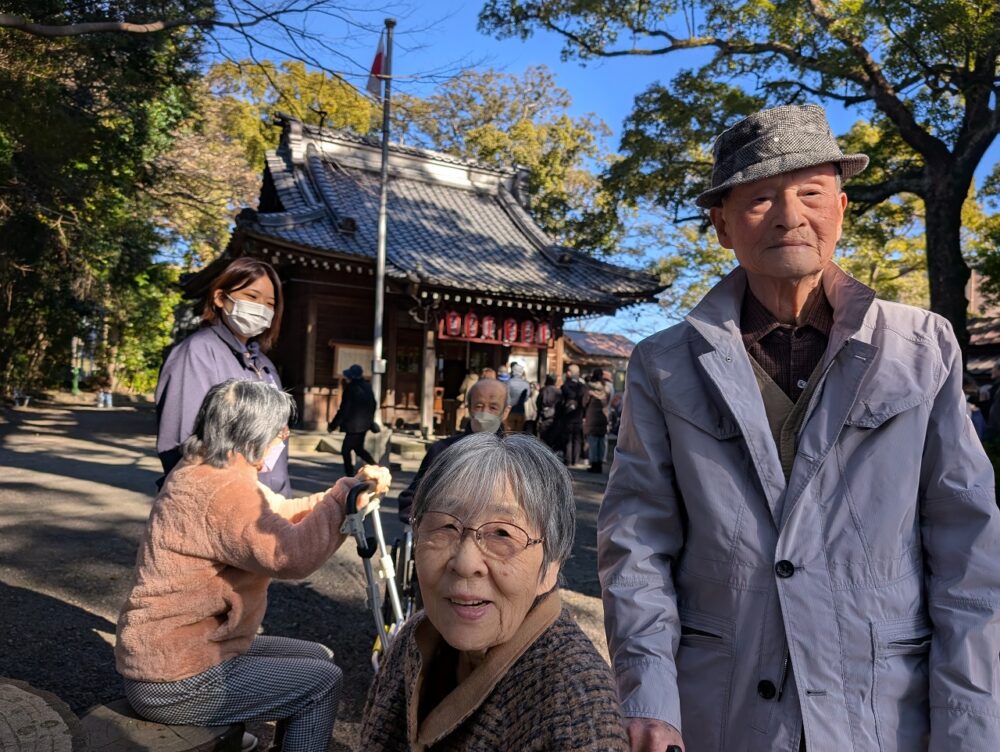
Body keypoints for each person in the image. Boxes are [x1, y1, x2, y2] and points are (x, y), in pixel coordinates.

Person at [598, 103, 1000, 752]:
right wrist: (649, 695)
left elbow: (969, 551)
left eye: (811, 193)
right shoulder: (664, 364)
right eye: (759, 198)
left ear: (841, 208)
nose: (790, 215)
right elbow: (638, 538)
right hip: (723, 714)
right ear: (721, 224)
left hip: (882, 716)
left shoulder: (922, 348)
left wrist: (972, 731)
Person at [116, 379, 391, 752]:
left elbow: (279, 515)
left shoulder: (209, 469)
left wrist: (342, 493)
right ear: (253, 431)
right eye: (279, 432)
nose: (282, 439)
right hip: (177, 676)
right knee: (322, 682)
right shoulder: (222, 490)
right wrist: (343, 497)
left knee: (316, 657)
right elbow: (289, 555)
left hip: (179, 652)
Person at [361, 432, 629, 751]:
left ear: (552, 564)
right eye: (446, 527)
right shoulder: (412, 641)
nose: (465, 562)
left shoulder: (578, 706)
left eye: (502, 533)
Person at [155, 257, 289, 494]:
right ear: (219, 298)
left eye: (270, 303)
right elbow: (181, 441)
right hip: (220, 505)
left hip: (268, 507)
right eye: (252, 297)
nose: (263, 309)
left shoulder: (265, 366)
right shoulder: (198, 352)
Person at [396, 377, 510, 523]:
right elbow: (413, 498)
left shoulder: (516, 457)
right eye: (479, 405)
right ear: (469, 408)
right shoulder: (443, 450)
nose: (485, 412)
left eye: (493, 407)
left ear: (505, 411)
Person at [328, 364, 378, 476]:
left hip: (353, 426)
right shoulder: (367, 386)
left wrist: (333, 425)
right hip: (364, 425)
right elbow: (374, 404)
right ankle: (375, 466)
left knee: (346, 450)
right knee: (358, 449)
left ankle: (350, 474)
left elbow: (344, 409)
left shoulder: (350, 389)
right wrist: (370, 420)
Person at [583, 368, 610, 474]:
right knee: (601, 442)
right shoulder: (606, 388)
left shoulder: (589, 388)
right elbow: (608, 401)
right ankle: (599, 465)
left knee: (593, 442)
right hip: (603, 416)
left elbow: (584, 402)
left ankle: (593, 465)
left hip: (592, 416)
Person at [558, 364, 586, 466]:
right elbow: (584, 402)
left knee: (568, 438)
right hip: (579, 415)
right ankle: (576, 460)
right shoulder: (582, 387)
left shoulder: (565, 386)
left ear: (569, 373)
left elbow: (561, 401)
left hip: (567, 416)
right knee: (577, 438)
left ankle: (568, 460)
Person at [536, 373, 562, 451]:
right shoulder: (558, 392)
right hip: (555, 417)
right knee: (552, 440)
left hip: (544, 416)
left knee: (543, 440)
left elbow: (538, 403)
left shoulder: (543, 390)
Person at [505, 362, 531, 432]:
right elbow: (526, 398)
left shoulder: (509, 382)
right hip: (521, 410)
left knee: (509, 432)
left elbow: (506, 397)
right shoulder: (526, 384)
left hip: (510, 411)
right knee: (519, 433)